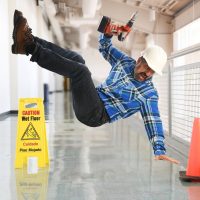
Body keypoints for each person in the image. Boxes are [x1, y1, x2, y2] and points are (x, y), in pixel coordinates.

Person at [12, 10, 179, 164]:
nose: (148, 73)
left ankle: (29, 47)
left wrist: (159, 149)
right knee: (78, 59)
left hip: (96, 115)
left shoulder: (149, 94)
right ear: (140, 60)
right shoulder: (125, 62)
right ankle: (30, 42)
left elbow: (153, 120)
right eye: (147, 67)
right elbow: (105, 47)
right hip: (92, 98)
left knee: (81, 71)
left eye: (153, 72)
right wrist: (107, 35)